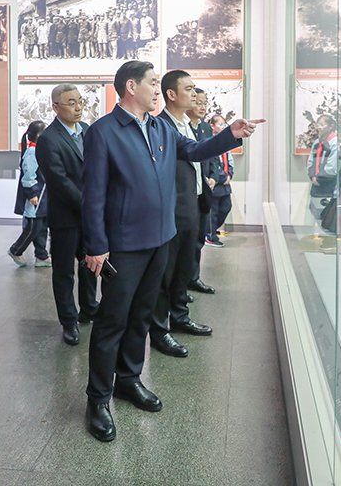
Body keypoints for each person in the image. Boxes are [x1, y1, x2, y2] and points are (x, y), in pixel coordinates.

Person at [82, 60, 262, 442]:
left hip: (160, 238)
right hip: (124, 245)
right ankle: (97, 399)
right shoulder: (104, 132)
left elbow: (194, 150)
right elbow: (93, 192)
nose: (156, 89)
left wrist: (230, 134)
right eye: (152, 82)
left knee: (142, 316)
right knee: (113, 321)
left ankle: (128, 379)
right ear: (131, 87)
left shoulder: (162, 127)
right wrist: (96, 245)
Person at [148, 70, 214, 360]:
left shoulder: (188, 124)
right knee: (166, 272)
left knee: (184, 268)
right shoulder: (160, 126)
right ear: (171, 94)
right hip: (172, 210)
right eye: (189, 89)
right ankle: (159, 330)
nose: (194, 94)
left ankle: (180, 316)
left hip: (192, 205)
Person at [35, 84, 98, 346]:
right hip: (65, 217)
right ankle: (68, 321)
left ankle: (89, 308)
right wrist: (89, 205)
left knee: (90, 264)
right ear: (55, 107)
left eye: (80, 101)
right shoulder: (48, 139)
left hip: (90, 215)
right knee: (64, 271)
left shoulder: (87, 131)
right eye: (71, 103)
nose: (78, 107)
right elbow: (59, 181)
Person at [186, 88, 217, 288]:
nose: (202, 106)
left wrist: (214, 177)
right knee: (186, 241)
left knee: (199, 238)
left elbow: (212, 154)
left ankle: (193, 277)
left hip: (203, 190)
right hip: (187, 193)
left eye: (205, 103)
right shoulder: (182, 127)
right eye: (198, 102)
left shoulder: (205, 127)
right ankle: (181, 283)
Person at [9, 120, 51, 268]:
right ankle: (16, 250)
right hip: (36, 197)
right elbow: (28, 176)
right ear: (39, 135)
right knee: (33, 227)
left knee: (42, 227)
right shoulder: (32, 152)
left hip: (44, 196)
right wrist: (32, 194)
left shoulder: (40, 150)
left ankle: (41, 256)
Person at [207, 114, 236, 243]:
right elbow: (212, 162)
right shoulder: (209, 142)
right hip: (215, 183)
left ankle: (211, 230)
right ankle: (210, 236)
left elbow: (229, 161)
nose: (223, 127)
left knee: (226, 207)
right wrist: (223, 178)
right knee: (213, 212)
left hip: (226, 184)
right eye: (220, 124)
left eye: (224, 124)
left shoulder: (225, 142)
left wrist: (230, 174)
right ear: (212, 126)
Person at [306, 114, 337, 198]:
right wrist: (312, 176)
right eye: (318, 125)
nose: (319, 127)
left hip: (329, 184)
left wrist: (319, 178)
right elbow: (310, 161)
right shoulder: (317, 142)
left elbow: (332, 167)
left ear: (330, 127)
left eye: (322, 125)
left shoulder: (334, 143)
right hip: (315, 184)